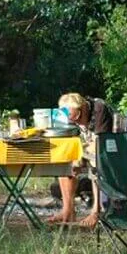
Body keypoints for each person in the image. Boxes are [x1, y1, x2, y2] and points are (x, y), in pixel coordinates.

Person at [47, 92, 114, 227]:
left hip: (113, 151)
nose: (76, 122)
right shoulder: (73, 116)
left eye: (77, 117)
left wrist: (82, 156)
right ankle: (68, 210)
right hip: (91, 149)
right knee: (65, 161)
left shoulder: (99, 109)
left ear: (83, 107)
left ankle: (96, 212)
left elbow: (100, 145)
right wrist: (78, 158)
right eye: (72, 120)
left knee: (96, 164)